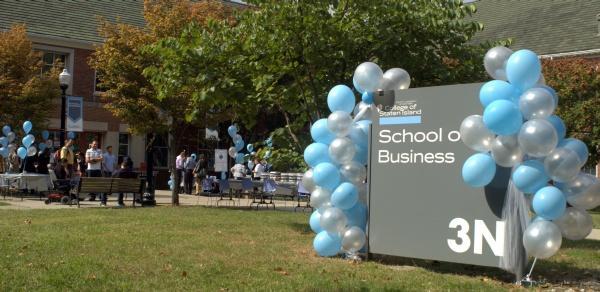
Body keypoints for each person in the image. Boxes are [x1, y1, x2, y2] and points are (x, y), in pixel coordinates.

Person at [85, 140, 104, 205]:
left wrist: (93, 160)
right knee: (91, 184)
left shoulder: (99, 150)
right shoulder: (88, 150)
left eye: (96, 144)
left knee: (98, 183)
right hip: (90, 169)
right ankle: (92, 197)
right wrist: (95, 160)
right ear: (91, 144)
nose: (95, 145)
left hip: (98, 169)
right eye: (94, 144)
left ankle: (100, 197)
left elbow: (101, 159)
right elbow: (87, 160)